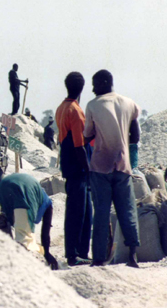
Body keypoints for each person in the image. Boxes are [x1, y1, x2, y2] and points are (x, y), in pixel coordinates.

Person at [83, 69, 140, 268]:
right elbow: (136, 136)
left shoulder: (92, 105)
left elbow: (87, 135)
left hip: (100, 166)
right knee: (128, 210)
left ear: (105, 82)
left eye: (95, 84)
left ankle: (98, 258)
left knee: (101, 212)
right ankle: (133, 255)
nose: (92, 89)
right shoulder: (129, 103)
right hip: (124, 165)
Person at [55, 72, 93, 267]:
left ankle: (81, 252)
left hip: (68, 164)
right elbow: (79, 145)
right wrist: (88, 169)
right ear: (82, 88)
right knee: (77, 212)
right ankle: (73, 254)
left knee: (85, 212)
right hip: (78, 167)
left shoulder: (61, 108)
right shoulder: (76, 111)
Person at [0, 173, 59, 270]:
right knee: (24, 238)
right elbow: (45, 232)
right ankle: (19, 267)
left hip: (3, 185)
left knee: (3, 220)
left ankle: (2, 253)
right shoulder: (47, 204)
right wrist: (46, 253)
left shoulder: (39, 196)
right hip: (23, 188)